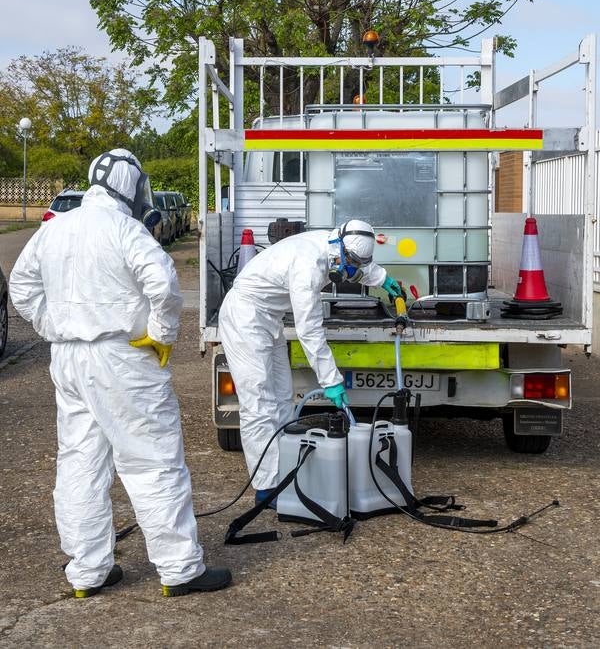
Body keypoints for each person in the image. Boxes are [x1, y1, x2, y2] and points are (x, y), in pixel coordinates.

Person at [9, 149, 231, 598]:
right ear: (131, 187)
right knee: (152, 460)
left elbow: (21, 285)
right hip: (123, 357)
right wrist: (161, 335)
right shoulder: (125, 229)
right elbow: (163, 283)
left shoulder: (54, 228)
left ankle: (88, 571)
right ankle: (179, 569)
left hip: (68, 359)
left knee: (80, 462)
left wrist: (53, 327)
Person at [218, 219, 402, 504]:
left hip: (269, 319)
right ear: (339, 246)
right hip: (245, 317)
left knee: (282, 397)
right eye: (350, 262)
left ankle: (283, 473)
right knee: (258, 403)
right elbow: (309, 331)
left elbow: (354, 266)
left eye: (359, 264)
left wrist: (382, 279)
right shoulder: (308, 266)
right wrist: (331, 381)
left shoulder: (332, 243)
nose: (352, 270)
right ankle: (266, 489)